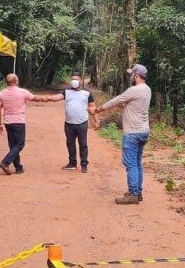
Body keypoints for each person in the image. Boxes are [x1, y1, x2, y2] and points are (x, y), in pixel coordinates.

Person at [93, 64, 151, 205]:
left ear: (136, 76)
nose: (130, 76)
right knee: (137, 163)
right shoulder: (147, 89)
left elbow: (117, 100)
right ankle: (138, 192)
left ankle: (132, 194)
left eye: (132, 74)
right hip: (143, 130)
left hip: (132, 132)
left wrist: (99, 109)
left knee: (130, 164)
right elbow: (130, 105)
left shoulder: (134, 90)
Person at [0, 74, 48, 175]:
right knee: (20, 144)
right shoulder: (22, 92)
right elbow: (35, 98)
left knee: (13, 145)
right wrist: (47, 98)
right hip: (18, 122)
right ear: (16, 81)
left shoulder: (2, 93)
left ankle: (18, 168)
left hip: (8, 122)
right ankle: (5, 162)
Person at [46, 72, 96, 173]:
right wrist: (46, 98)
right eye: (72, 79)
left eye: (76, 79)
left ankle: (84, 165)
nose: (73, 81)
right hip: (69, 123)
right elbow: (57, 97)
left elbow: (92, 107)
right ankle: (72, 163)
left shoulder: (87, 93)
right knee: (70, 144)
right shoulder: (66, 92)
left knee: (83, 144)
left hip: (82, 123)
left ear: (81, 81)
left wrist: (97, 120)